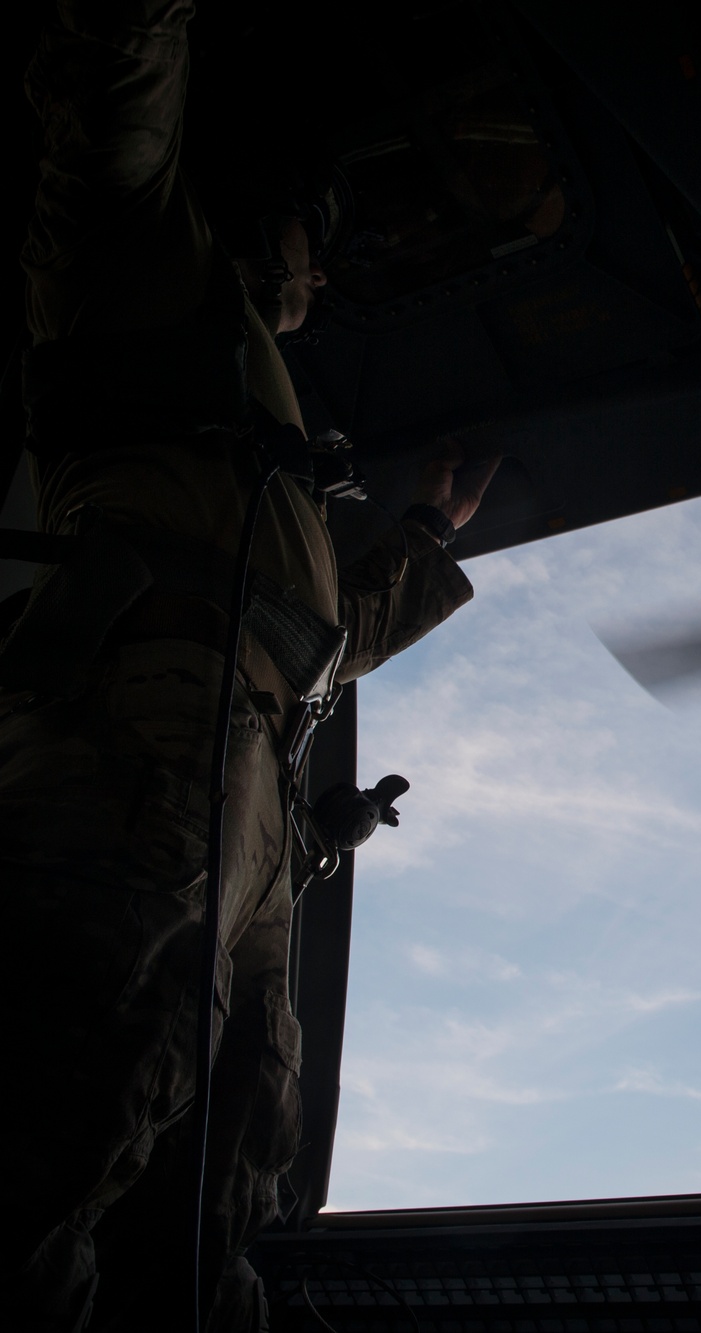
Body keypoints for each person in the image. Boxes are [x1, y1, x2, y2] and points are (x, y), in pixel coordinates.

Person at [0, 2, 498, 1328]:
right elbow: (112, 121)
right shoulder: (145, 267)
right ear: (246, 209)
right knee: (66, 1089)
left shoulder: (263, 429)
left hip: (253, 779)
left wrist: (428, 532)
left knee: (226, 1172)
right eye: (310, 238)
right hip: (151, 722)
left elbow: (325, 639)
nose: (320, 276)